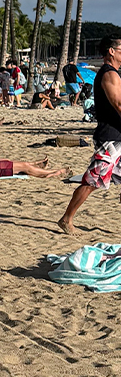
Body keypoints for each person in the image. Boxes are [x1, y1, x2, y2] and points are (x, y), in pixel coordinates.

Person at [58, 36, 121, 235]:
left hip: (118, 136)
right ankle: (66, 219)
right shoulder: (109, 74)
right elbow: (118, 104)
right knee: (93, 181)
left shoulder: (113, 73)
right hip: (110, 138)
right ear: (111, 51)